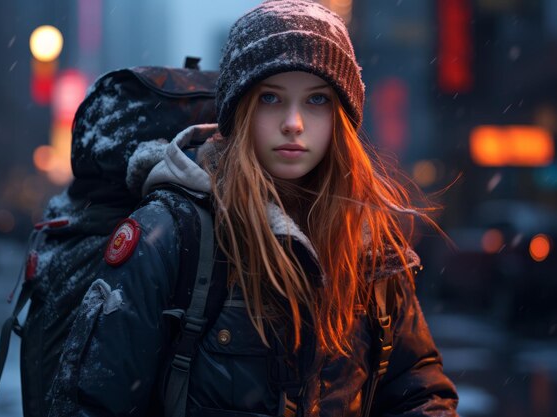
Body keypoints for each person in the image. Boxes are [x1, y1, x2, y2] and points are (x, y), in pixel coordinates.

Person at [49, 0, 459, 416]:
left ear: (341, 118)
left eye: (316, 100)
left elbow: (418, 390)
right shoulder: (173, 235)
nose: (294, 123)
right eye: (270, 98)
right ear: (240, 111)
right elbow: (93, 404)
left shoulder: (367, 243)